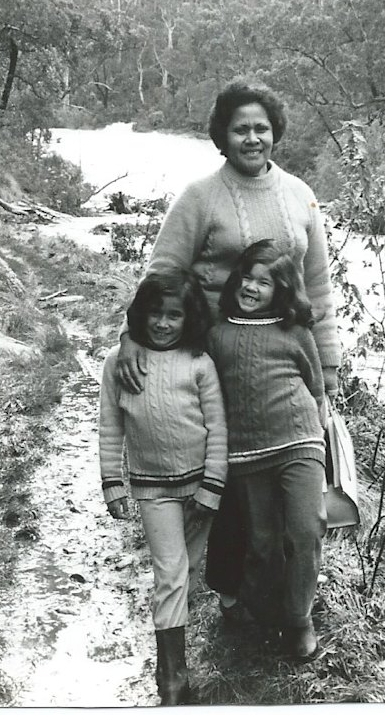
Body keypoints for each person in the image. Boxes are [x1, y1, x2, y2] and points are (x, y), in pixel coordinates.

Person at [115, 78, 341, 621]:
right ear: (222, 136)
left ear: (275, 133)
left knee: (295, 491)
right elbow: (162, 277)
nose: (252, 137)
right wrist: (131, 339)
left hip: (283, 368)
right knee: (233, 485)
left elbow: (318, 289)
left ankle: (291, 600)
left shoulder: (300, 195)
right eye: (240, 128)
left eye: (261, 127)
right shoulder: (199, 197)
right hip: (214, 361)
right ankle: (233, 594)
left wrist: (328, 374)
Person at [99, 269, 228, 706]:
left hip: (199, 488)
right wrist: (112, 482)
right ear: (140, 314)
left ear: (189, 319)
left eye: (174, 315)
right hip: (154, 491)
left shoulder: (199, 363)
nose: (162, 323)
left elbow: (218, 430)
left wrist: (211, 488)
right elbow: (110, 427)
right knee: (170, 575)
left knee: (186, 573)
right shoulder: (119, 364)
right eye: (155, 313)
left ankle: (175, 658)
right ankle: (171, 675)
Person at [206, 240, 327, 661]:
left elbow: (316, 388)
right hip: (246, 453)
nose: (252, 288)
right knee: (261, 542)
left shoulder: (294, 331)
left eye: (265, 282)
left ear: (282, 290)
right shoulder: (217, 333)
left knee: (306, 529)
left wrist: (323, 434)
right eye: (247, 278)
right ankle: (262, 612)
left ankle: (299, 620)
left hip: (301, 441)